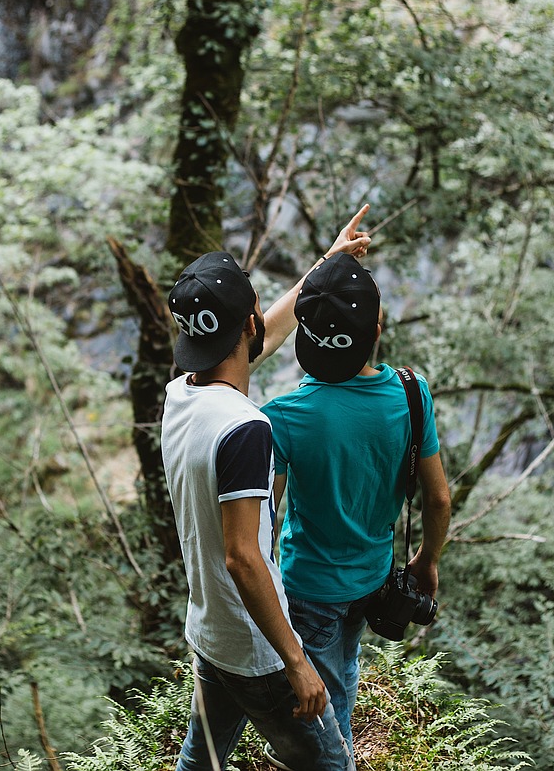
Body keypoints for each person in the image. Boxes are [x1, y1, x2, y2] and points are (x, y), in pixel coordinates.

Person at [161, 208, 370, 771]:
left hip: (209, 630)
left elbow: (266, 333)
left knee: (201, 760)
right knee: (332, 766)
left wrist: (328, 262)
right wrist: (297, 662)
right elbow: (243, 558)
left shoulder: (181, 394)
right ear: (247, 324)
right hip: (256, 650)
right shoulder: (246, 429)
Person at [260, 253, 453, 758]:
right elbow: (437, 497)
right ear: (376, 330)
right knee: (343, 670)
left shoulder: (285, 416)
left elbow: (263, 512)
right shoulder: (412, 394)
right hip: (373, 576)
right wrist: (428, 561)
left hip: (309, 586)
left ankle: (329, 758)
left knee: (323, 702)